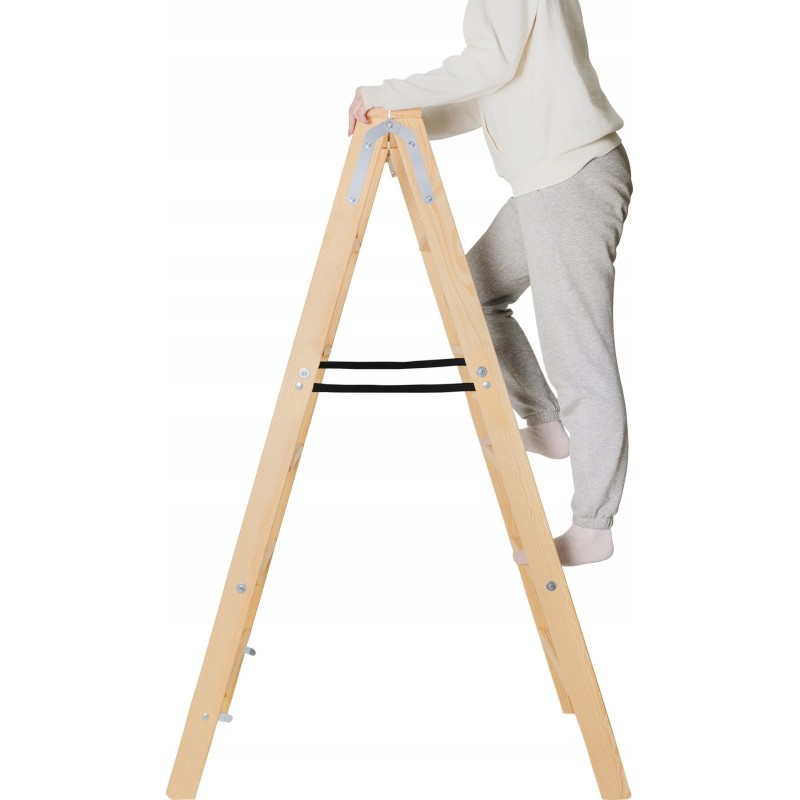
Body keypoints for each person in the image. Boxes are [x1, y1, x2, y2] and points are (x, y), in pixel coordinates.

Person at [348, 0, 633, 567]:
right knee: (473, 293)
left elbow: (488, 66)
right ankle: (546, 424)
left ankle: (593, 526)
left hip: (568, 179)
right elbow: (487, 93)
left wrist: (384, 92)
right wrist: (403, 121)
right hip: (550, 182)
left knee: (579, 358)